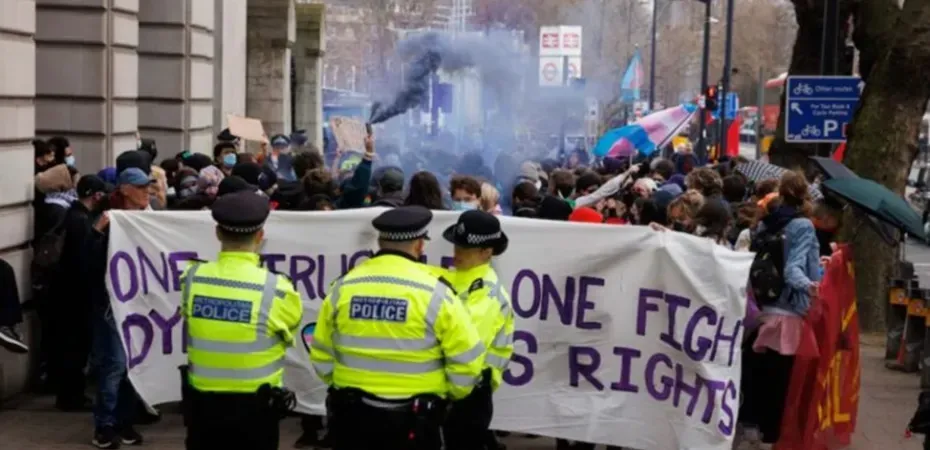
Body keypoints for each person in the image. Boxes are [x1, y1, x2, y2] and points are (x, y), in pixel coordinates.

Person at [309, 206, 485, 450]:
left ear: (381, 242)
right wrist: (447, 396)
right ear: (419, 245)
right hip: (415, 421)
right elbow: (468, 362)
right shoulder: (437, 294)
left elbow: (320, 353)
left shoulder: (343, 287)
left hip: (352, 418)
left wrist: (347, 385)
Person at [179, 190, 303, 450]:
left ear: (217, 233)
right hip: (256, 411)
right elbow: (291, 326)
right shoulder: (277, 289)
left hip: (203, 409)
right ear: (260, 236)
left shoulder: (192, 278)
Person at [439, 210, 514, 450]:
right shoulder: (456, 277)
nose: (457, 252)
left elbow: (465, 345)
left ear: (487, 252)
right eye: (457, 245)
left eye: (465, 248)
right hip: (454, 387)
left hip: (468, 394)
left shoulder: (488, 293)